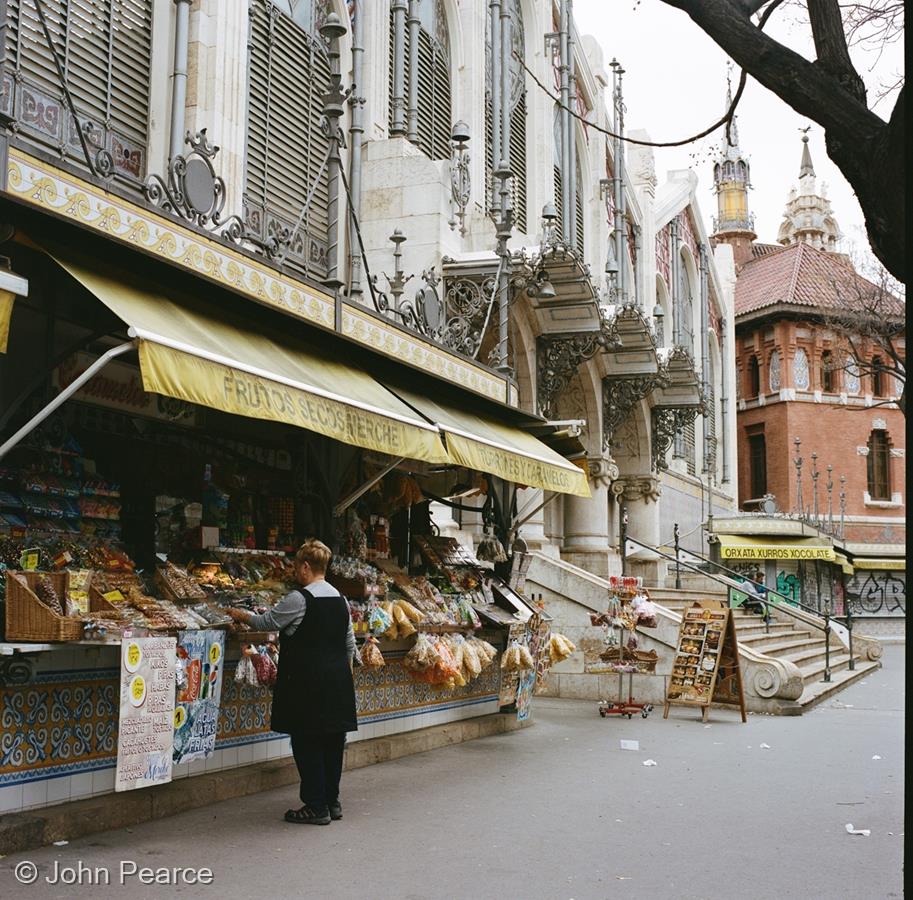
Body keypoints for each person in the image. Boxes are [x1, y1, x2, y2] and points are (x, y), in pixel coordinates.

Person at [226, 539, 357, 825]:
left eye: (297, 567)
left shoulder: (300, 598)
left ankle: (315, 806)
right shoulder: (341, 599)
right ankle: (331, 801)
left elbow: (267, 623)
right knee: (333, 742)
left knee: (307, 740)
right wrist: (342, 674)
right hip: (337, 681)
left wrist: (239, 614)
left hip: (307, 683)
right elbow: (349, 643)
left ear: (306, 566)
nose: (296, 573)